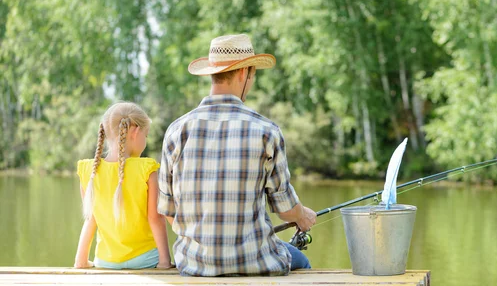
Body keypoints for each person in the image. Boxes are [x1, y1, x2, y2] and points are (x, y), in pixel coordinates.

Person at [158, 34, 317, 276]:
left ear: (212, 74)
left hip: (194, 265)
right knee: (302, 263)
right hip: (255, 263)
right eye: (252, 75)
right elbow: (285, 209)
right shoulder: (267, 131)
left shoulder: (176, 131)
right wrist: (302, 216)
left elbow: (169, 210)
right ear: (244, 73)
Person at [74, 102, 172, 269]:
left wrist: (81, 261)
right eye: (146, 135)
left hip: (106, 261)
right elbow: (155, 218)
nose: (146, 142)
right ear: (135, 132)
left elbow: (91, 219)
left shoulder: (89, 171)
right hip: (145, 259)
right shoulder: (147, 168)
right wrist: (164, 262)